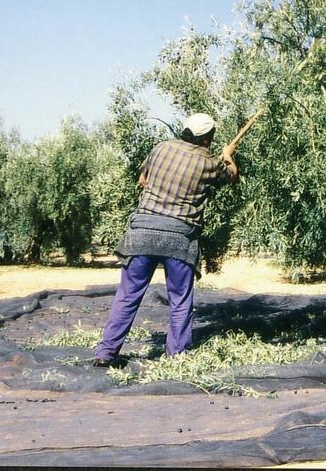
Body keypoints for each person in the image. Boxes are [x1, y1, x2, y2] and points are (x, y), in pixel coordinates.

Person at [93, 113, 238, 366]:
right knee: (180, 300)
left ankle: (106, 353)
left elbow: (142, 180)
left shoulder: (161, 148)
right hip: (179, 239)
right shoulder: (210, 162)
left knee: (127, 296)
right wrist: (227, 156)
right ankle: (177, 358)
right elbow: (232, 177)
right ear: (207, 139)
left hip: (142, 234)